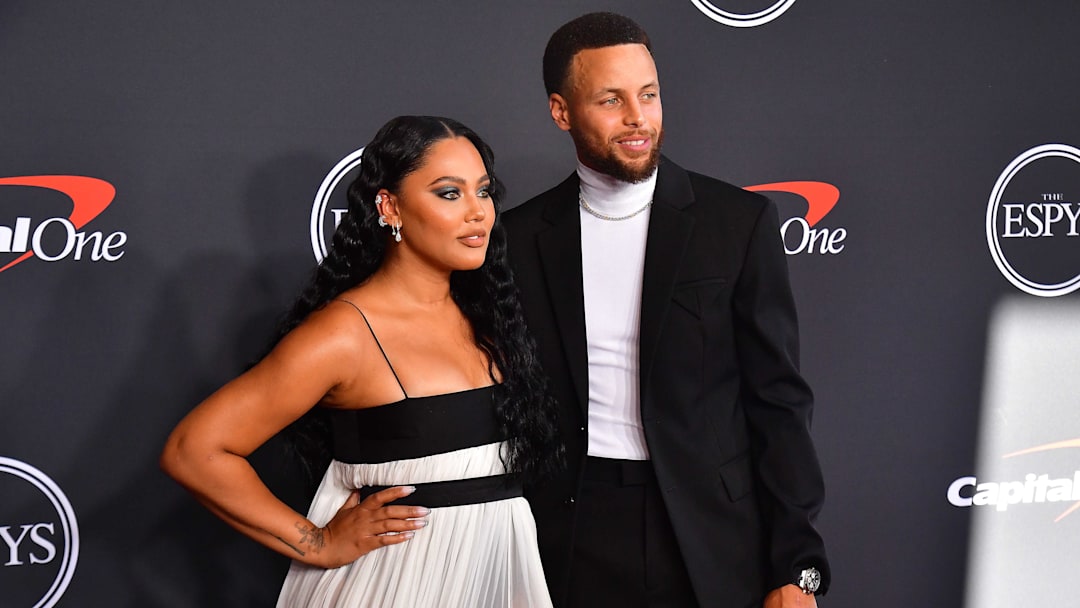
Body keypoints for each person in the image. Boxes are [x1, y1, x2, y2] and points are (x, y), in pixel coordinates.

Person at [160, 115, 561, 607]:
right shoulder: (345, 333)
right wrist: (319, 542)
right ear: (389, 206)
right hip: (392, 585)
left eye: (483, 191)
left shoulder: (489, 314)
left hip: (495, 572)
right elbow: (193, 450)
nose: (478, 212)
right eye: (449, 194)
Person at [503, 12, 830, 608]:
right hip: (573, 530)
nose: (637, 118)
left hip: (711, 530)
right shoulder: (517, 239)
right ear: (561, 111)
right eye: (611, 99)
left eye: (649, 95)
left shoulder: (736, 222)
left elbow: (779, 402)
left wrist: (797, 564)